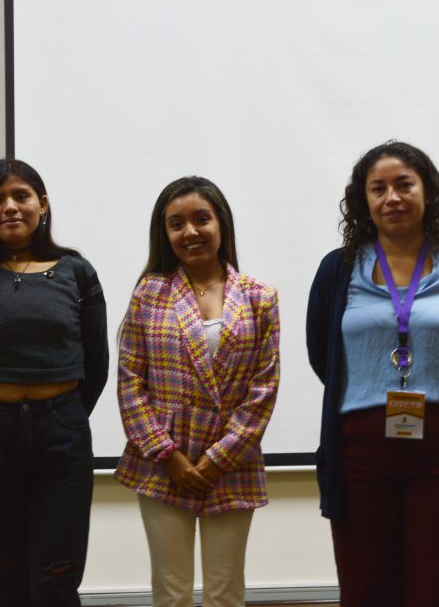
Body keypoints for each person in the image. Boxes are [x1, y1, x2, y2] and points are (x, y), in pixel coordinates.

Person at [306, 141, 439, 607]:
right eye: (378, 188)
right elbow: (322, 355)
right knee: (368, 583)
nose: (391, 197)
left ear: (427, 192)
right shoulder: (339, 270)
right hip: (360, 453)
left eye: (403, 185)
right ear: (364, 201)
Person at [0, 159, 108, 607]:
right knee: (4, 571)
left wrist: (62, 416)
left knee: (57, 575)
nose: (9, 207)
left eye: (21, 196)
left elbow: (97, 363)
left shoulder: (77, 271)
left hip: (62, 438)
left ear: (42, 204)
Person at [114, 176, 279, 607]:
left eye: (201, 219)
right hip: (163, 464)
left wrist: (215, 460)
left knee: (225, 593)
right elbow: (130, 383)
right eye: (176, 224)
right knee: (171, 593)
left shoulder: (260, 298)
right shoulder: (149, 293)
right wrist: (169, 456)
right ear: (165, 234)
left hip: (230, 463)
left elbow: (264, 388)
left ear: (220, 223)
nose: (190, 232)